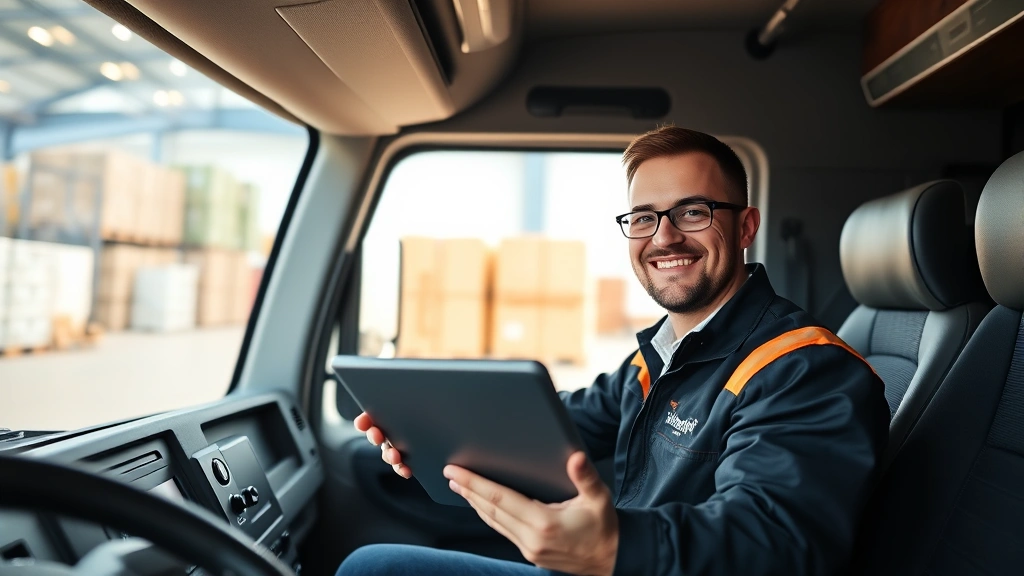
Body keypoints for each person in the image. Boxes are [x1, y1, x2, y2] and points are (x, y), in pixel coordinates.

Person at [338, 126, 890, 576]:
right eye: (644, 218)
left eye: (693, 211)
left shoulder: (805, 368)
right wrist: (432, 432)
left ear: (745, 227)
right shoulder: (661, 355)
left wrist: (616, 548)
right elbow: (562, 423)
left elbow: (776, 542)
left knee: (373, 571)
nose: (665, 237)